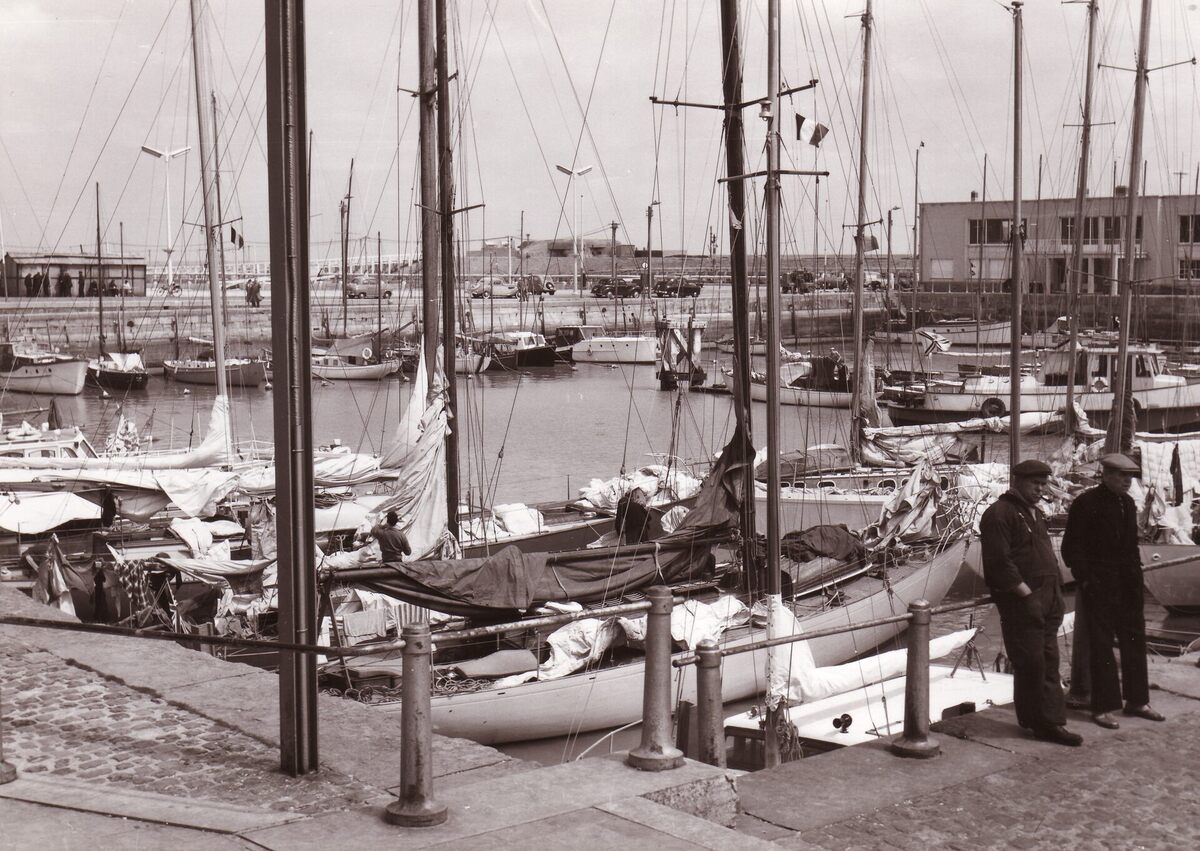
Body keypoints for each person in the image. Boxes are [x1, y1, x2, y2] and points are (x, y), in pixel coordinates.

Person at [980, 458, 1082, 746]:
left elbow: (1043, 556)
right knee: (1033, 663)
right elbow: (1000, 564)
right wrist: (1027, 596)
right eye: (1034, 483)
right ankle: (1046, 724)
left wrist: (1056, 595)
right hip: (1022, 601)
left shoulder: (1034, 513)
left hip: (1048, 598)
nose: (1040, 489)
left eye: (1043, 484)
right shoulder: (999, 514)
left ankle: (1039, 720)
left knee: (1048, 661)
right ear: (1017, 482)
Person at [1061, 453, 1165, 729]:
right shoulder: (1086, 503)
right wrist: (1086, 580)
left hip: (1128, 585)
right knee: (1102, 646)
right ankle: (1102, 706)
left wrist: (1136, 576)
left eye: (1130, 476)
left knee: (1134, 640)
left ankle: (1137, 701)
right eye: (1121, 475)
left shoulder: (1127, 504)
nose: (1127, 481)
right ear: (1106, 475)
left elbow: (1130, 545)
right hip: (1100, 586)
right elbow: (1071, 548)